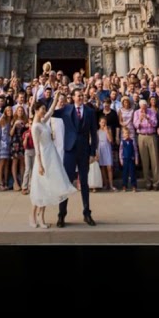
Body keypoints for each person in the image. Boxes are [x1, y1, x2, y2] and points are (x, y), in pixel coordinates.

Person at [52, 88, 99, 227]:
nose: (81, 97)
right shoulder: (66, 109)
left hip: (84, 151)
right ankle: (61, 215)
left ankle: (87, 213)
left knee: (84, 183)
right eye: (78, 95)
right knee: (66, 182)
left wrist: (92, 153)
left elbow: (93, 133)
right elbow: (51, 113)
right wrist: (56, 98)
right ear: (72, 97)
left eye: (82, 95)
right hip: (70, 150)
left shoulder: (90, 112)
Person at [29, 98, 77, 229]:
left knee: (47, 187)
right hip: (43, 157)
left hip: (51, 154)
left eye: (44, 109)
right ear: (36, 110)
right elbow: (36, 148)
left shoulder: (44, 122)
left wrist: (56, 97)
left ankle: (41, 217)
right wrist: (39, 165)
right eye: (42, 109)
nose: (44, 111)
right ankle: (33, 216)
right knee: (40, 187)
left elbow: (51, 111)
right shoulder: (35, 127)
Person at [119, 126, 138, 192]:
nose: (126, 135)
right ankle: (124, 186)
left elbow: (135, 150)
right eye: (125, 133)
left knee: (132, 173)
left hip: (131, 159)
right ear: (123, 134)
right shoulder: (122, 142)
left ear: (129, 134)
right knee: (125, 173)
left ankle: (134, 186)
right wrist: (121, 159)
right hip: (125, 159)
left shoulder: (132, 141)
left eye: (127, 133)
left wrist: (136, 159)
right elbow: (120, 151)